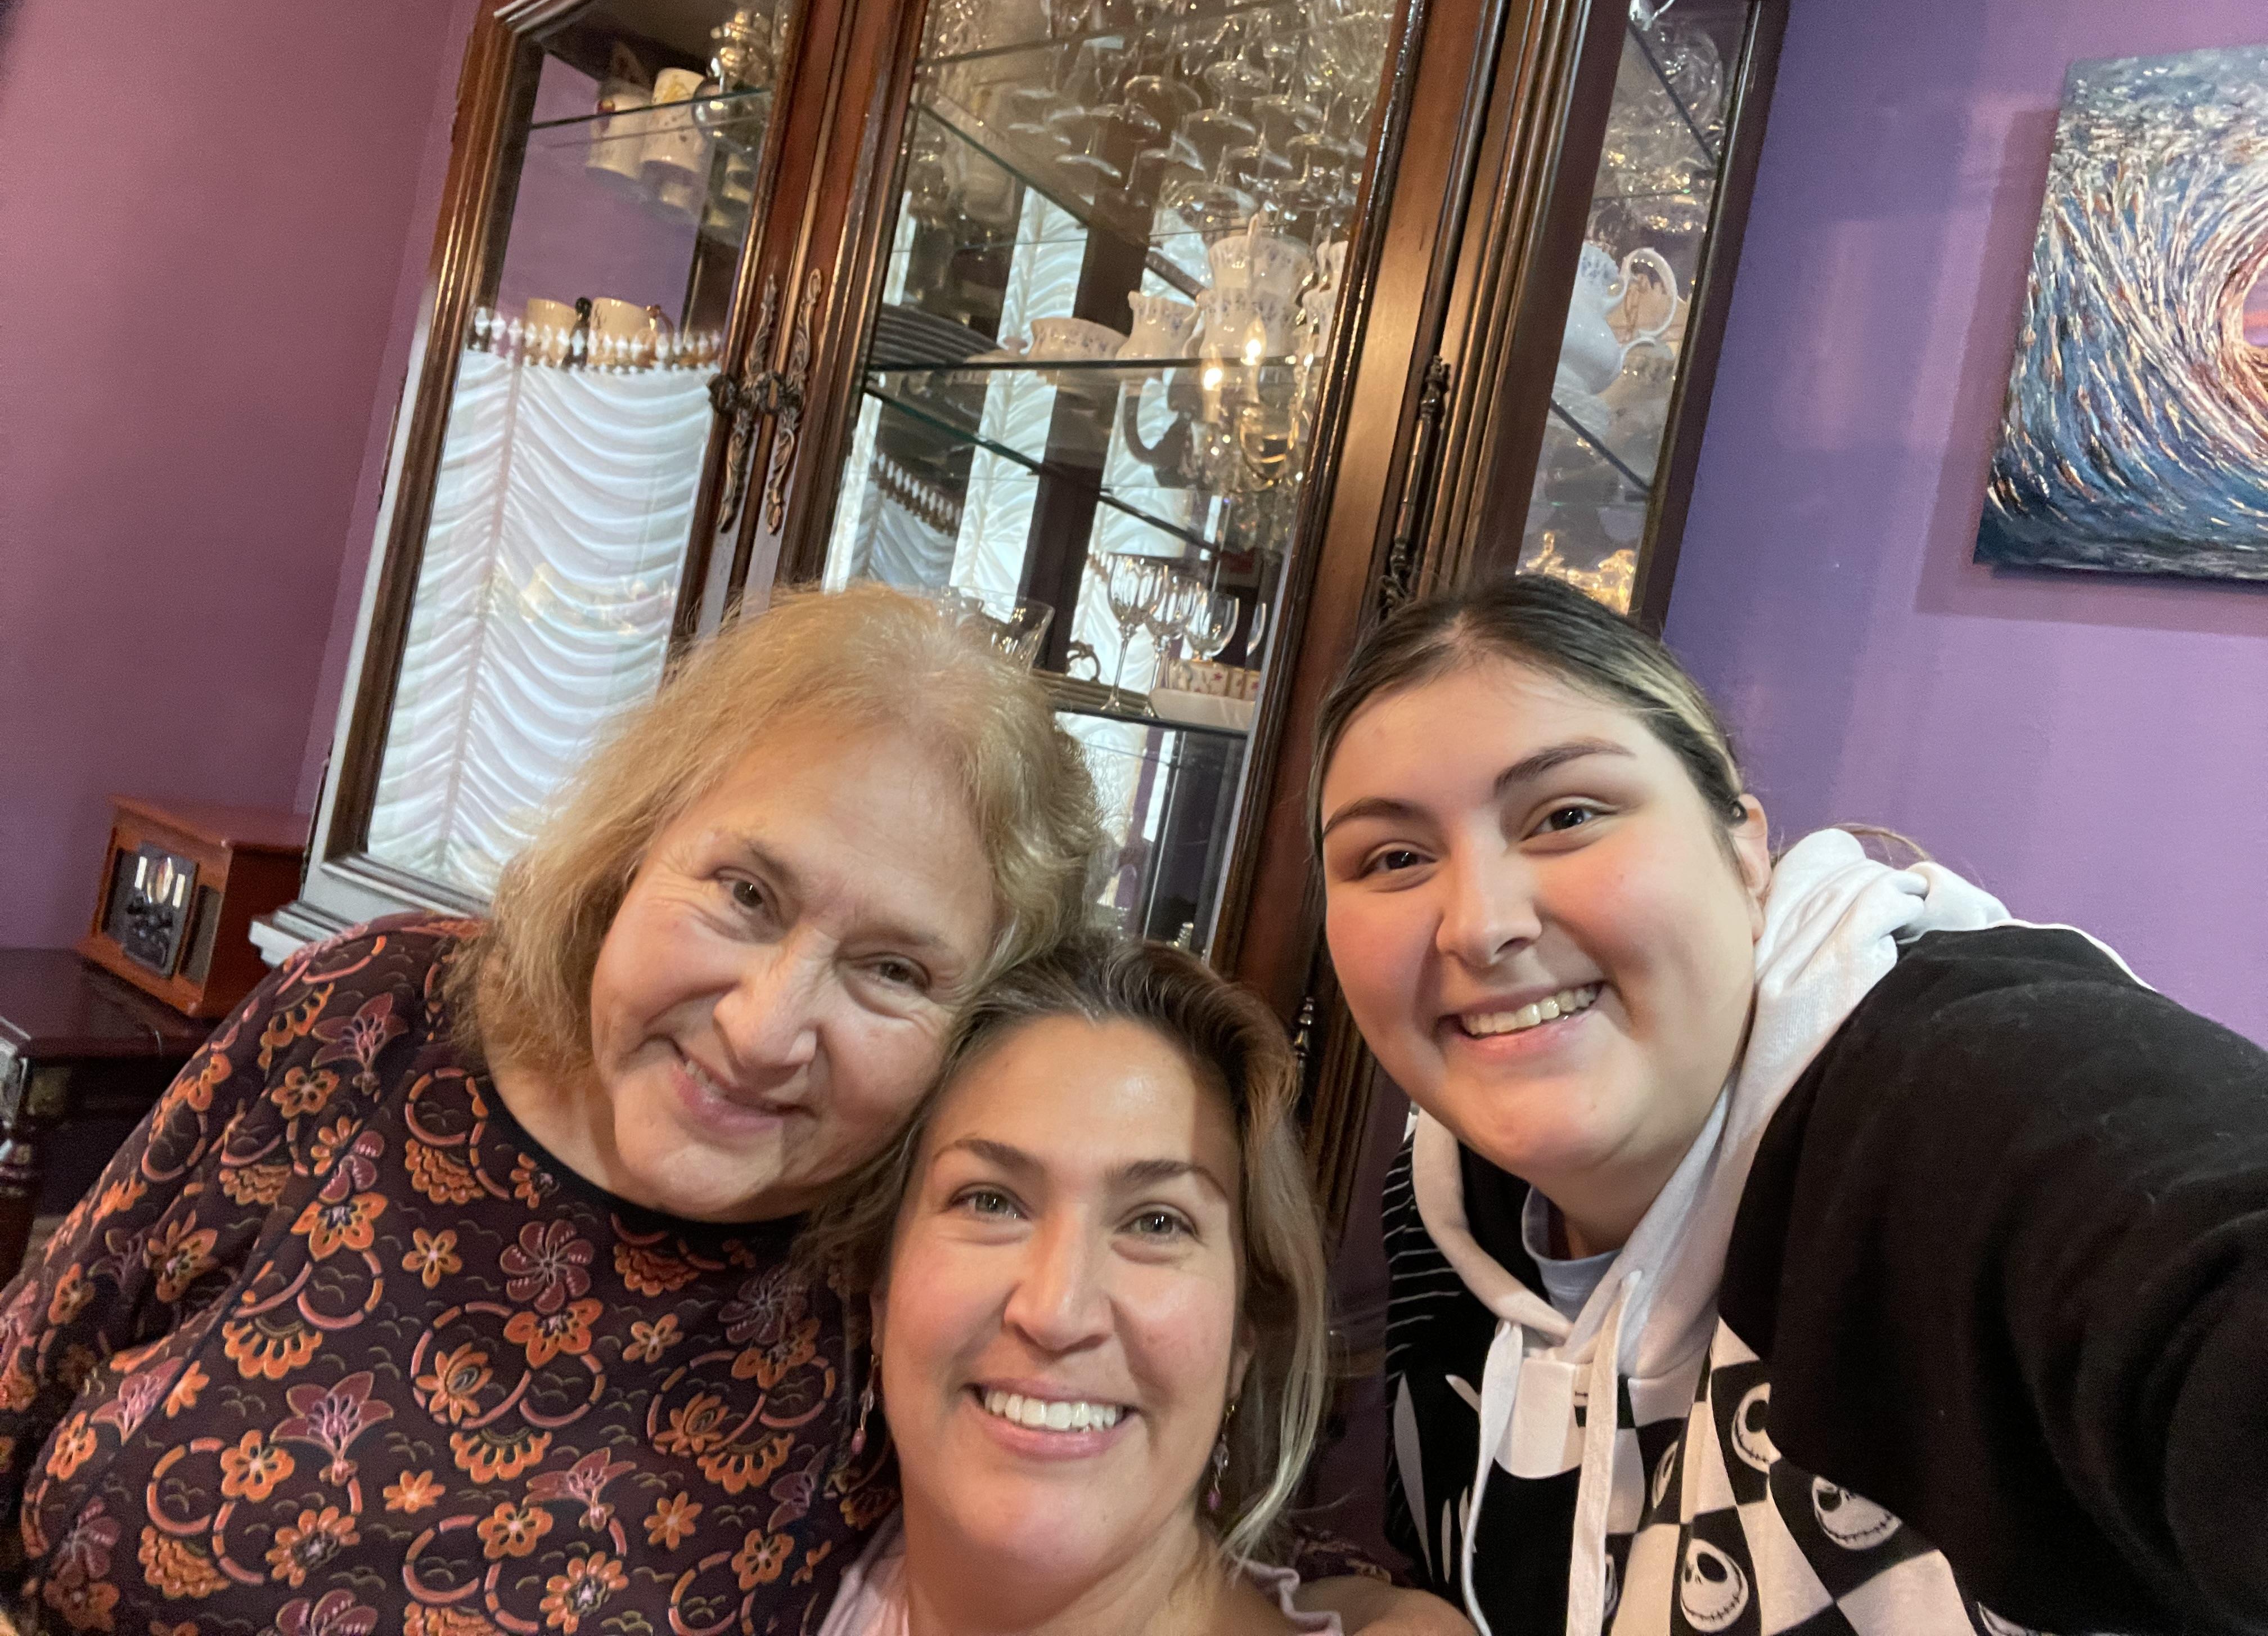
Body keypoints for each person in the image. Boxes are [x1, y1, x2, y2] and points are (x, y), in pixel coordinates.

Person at [0, 585, 1101, 1634]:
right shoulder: (374, 1018)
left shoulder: (912, 1289)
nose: (766, 1033)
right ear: (633, 852)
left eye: (895, 971)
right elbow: (22, 1387)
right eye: (746, 894)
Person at [1311, 574, 2268, 1636]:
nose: (1478, 926)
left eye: (1566, 814)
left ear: (1743, 846)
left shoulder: (1968, 1098)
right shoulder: (1440, 1206)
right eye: (1392, 857)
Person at [802, 936, 1474, 1636]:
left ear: (1246, 1335)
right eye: (990, 1202)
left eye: (1157, 1222)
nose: (1057, 1312)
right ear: (879, 1287)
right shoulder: (747, 1580)